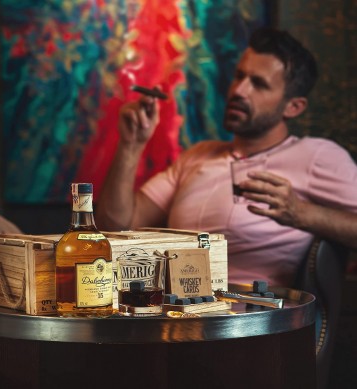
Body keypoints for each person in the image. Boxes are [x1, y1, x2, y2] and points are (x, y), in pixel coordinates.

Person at [96, 27, 357, 287]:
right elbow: (116, 227)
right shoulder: (198, 155)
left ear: (293, 106)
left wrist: (302, 213)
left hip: (254, 318)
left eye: (259, 84)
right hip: (176, 312)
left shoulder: (317, 156)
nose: (239, 91)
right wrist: (131, 145)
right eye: (239, 76)